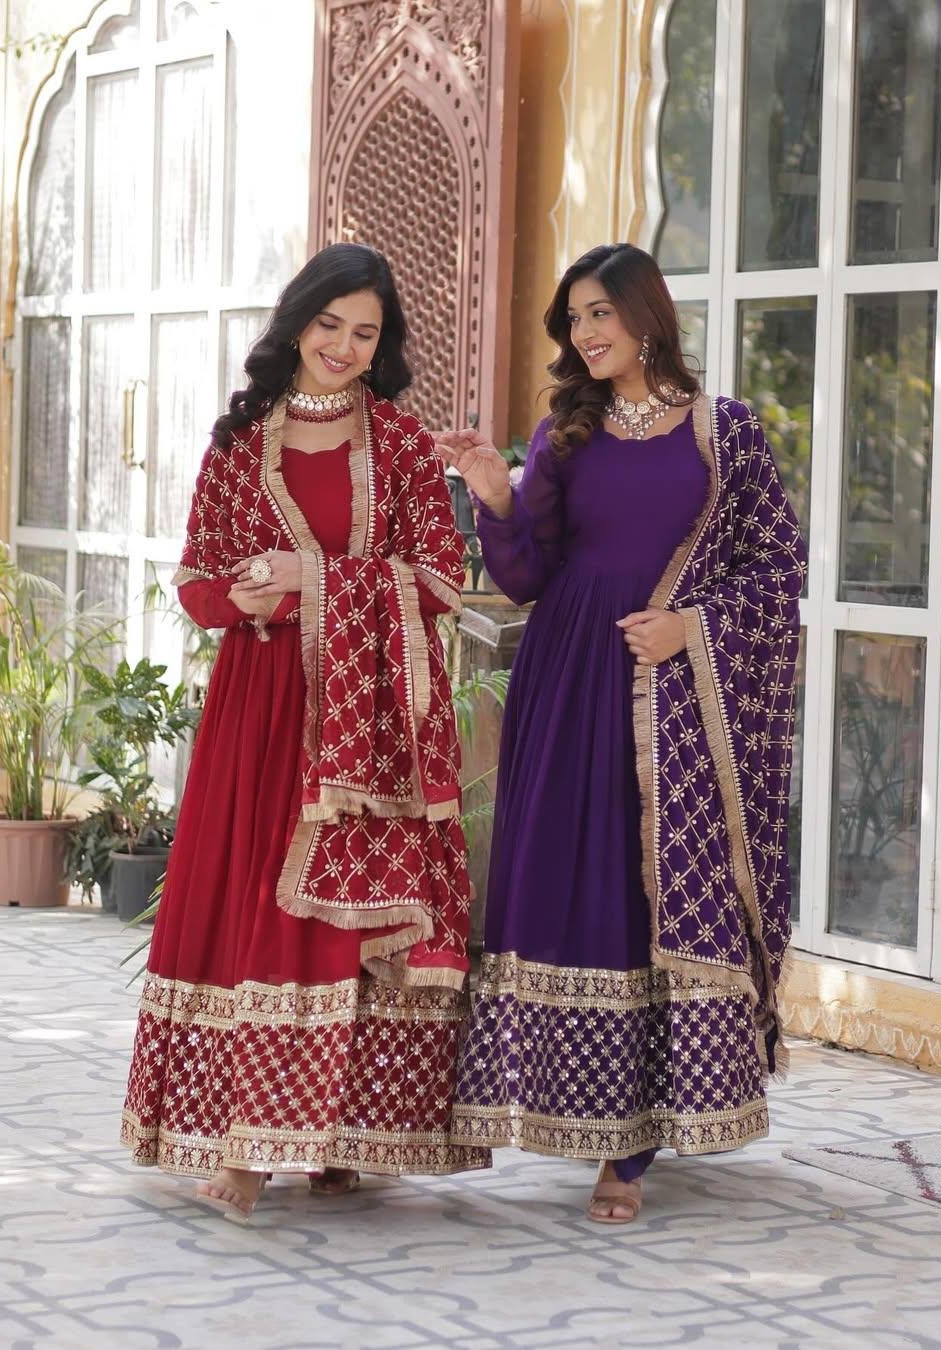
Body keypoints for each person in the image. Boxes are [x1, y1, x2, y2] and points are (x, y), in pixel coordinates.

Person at [120, 242, 488, 1221]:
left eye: (365, 333)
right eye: (330, 324)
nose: (344, 346)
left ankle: (332, 1136)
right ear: (297, 324)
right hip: (261, 707)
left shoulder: (400, 444)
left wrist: (310, 578)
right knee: (259, 902)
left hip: (367, 725)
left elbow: (442, 580)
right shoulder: (241, 442)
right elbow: (197, 580)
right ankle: (249, 1137)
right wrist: (246, 597)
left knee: (337, 918)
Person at [439, 243, 806, 1224]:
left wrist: (693, 628)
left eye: (600, 312)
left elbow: (780, 572)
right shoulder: (566, 433)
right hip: (569, 683)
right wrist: (495, 493)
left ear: (648, 314)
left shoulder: (725, 433)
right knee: (573, 884)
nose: (586, 333)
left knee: (650, 897)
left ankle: (631, 1151)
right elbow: (527, 575)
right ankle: (585, 1113)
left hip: (674, 701)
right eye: (574, 318)